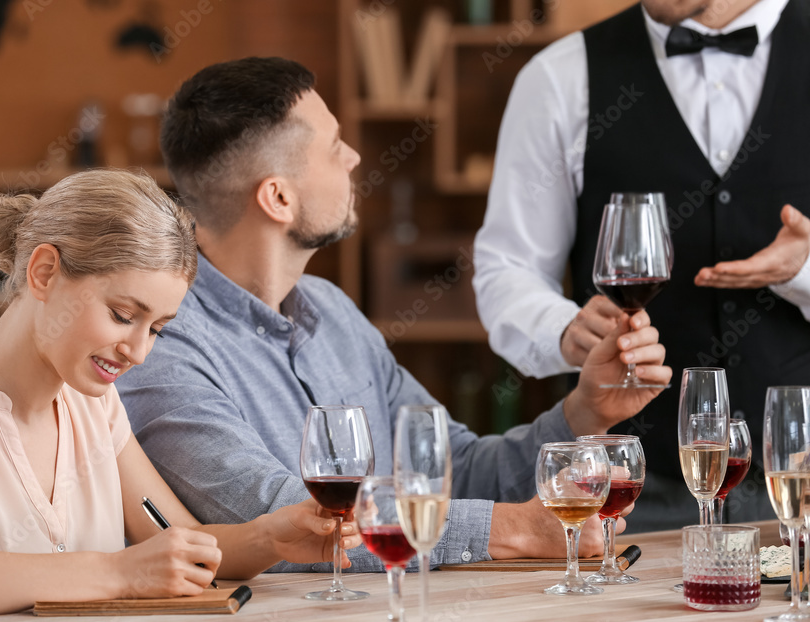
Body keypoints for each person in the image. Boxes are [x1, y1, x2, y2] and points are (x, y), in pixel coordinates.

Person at [116, 57, 672, 572]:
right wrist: (515, 532)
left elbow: (456, 467)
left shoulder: (333, 312)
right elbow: (288, 520)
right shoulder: (160, 343)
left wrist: (582, 412)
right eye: (334, 146)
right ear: (278, 199)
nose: (354, 157)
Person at [0, 169, 354, 622]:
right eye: (122, 315)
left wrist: (272, 537)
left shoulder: (94, 409)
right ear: (44, 273)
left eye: (157, 328)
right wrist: (118, 573)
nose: (137, 350)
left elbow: (177, 541)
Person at [472, 0, 810, 530]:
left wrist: (804, 271)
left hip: (799, 479)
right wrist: (565, 331)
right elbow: (506, 268)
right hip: (626, 489)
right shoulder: (561, 76)